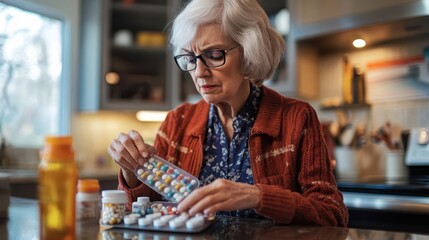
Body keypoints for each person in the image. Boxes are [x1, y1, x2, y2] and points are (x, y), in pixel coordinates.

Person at [108, 0, 348, 226]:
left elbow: (332, 215)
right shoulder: (177, 122)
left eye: (214, 55)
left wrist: (257, 196)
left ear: (249, 52)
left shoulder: (297, 118)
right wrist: (132, 172)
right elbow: (140, 214)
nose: (199, 72)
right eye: (190, 58)